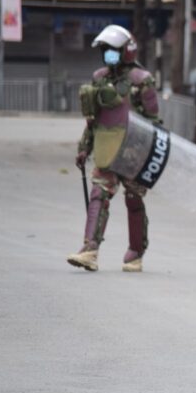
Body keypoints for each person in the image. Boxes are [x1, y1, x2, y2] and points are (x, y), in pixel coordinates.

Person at [67, 25, 159, 272]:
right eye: (105, 50)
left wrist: (151, 157)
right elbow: (94, 119)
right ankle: (90, 250)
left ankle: (136, 252)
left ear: (126, 51)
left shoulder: (142, 81)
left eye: (113, 50)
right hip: (106, 146)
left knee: (133, 199)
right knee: (99, 194)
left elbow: (154, 122)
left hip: (134, 153)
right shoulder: (99, 78)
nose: (109, 54)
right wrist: (84, 147)